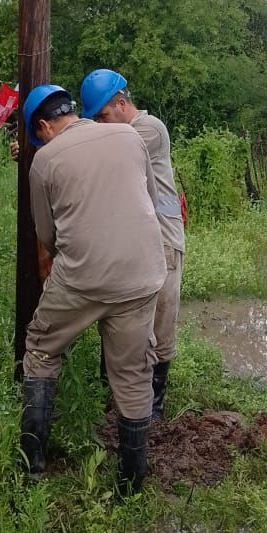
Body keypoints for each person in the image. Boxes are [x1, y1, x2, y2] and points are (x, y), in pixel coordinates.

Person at [19, 83, 166, 494]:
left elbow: (46, 234)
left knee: (42, 348)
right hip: (142, 274)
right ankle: (131, 485)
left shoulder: (44, 160)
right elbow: (150, 200)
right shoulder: (129, 137)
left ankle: (31, 466)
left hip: (82, 278)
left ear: (44, 126)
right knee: (133, 374)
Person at [80, 69, 185, 418]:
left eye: (103, 116)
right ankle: (111, 394)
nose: (100, 123)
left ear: (122, 104)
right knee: (119, 314)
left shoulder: (149, 129)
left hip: (162, 239)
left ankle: (154, 405)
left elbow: (95, 152)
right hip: (129, 240)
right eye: (95, 119)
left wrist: (51, 142)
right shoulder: (114, 132)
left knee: (161, 319)